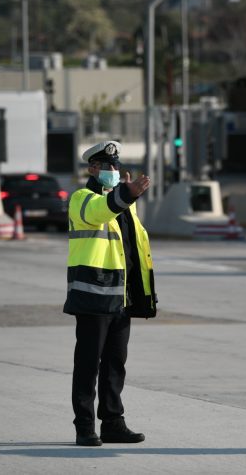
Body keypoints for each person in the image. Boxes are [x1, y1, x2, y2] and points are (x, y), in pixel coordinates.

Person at [64, 140, 156, 447]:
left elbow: (133, 248)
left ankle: (113, 422)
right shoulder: (82, 198)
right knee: (88, 363)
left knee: (116, 363)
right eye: (107, 167)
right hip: (94, 294)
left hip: (121, 297)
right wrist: (125, 195)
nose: (114, 171)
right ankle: (85, 425)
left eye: (116, 166)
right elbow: (99, 213)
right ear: (92, 168)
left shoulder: (124, 205)